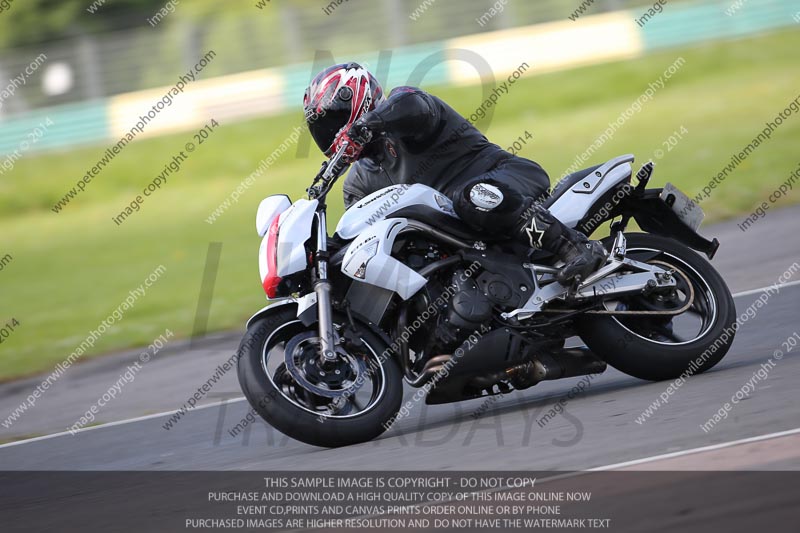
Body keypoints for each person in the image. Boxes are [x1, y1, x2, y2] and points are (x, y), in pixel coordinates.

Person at [303, 62, 606, 285]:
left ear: (361, 100)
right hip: (462, 238)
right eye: (322, 127)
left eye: (335, 121)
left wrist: (368, 124)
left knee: (472, 197)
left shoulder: (404, 114)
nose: (330, 133)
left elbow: (412, 104)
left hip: (506, 178)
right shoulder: (357, 185)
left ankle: (575, 247)